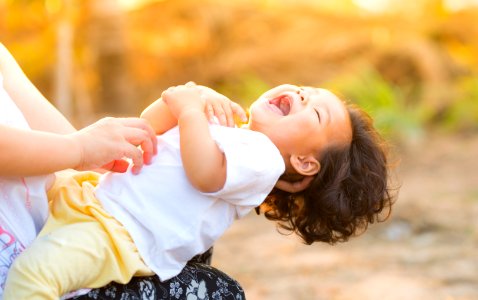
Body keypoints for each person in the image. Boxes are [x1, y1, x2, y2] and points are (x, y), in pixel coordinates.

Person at [4, 81, 395, 298]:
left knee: (35, 278)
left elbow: (204, 173)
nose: (303, 95)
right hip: (93, 201)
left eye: (315, 110)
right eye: (306, 89)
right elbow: (149, 127)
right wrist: (179, 100)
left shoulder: (263, 160)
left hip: (117, 234)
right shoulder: (230, 128)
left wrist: (191, 111)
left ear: (305, 162)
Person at [0, 43, 245, 299]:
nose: (292, 92)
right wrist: (80, 148)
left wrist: (98, 157)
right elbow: (77, 147)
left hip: (46, 226)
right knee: (219, 291)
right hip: (26, 274)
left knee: (183, 234)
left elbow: (57, 132)